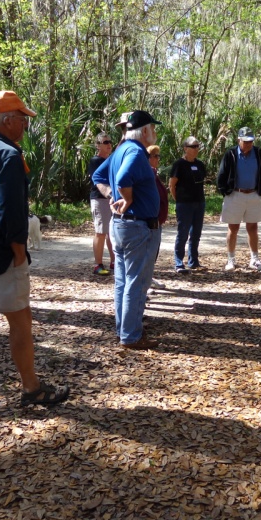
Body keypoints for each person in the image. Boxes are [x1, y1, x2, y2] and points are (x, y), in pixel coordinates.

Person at [0, 90, 70, 418]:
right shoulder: (7, 155)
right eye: (22, 119)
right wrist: (19, 253)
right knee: (21, 323)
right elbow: (12, 213)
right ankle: (32, 389)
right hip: (0, 256)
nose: (24, 125)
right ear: (8, 121)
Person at [92, 110, 162, 350]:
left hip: (122, 226)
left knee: (123, 281)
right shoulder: (133, 151)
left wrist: (112, 196)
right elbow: (122, 178)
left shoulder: (120, 149)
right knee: (136, 283)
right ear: (144, 131)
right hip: (136, 226)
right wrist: (125, 198)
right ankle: (131, 336)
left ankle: (125, 329)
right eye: (153, 128)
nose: (154, 132)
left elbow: (98, 176)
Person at [217, 127, 261, 271]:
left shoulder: (257, 153)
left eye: (250, 141)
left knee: (253, 227)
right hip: (235, 195)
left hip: (253, 194)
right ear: (239, 140)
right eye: (245, 142)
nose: (248, 144)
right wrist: (225, 192)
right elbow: (222, 174)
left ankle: (255, 259)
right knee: (233, 228)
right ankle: (231, 260)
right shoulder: (231, 154)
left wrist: (260, 190)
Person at [169, 136, 206, 273]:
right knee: (183, 233)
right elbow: (172, 185)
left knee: (196, 233)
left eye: (197, 146)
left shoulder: (200, 164)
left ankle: (193, 261)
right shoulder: (179, 164)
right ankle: (179, 262)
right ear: (185, 148)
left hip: (199, 203)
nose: (196, 149)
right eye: (193, 146)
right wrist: (179, 200)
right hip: (184, 204)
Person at [87, 132, 114, 276]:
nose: (109, 144)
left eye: (110, 142)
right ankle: (98, 264)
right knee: (101, 231)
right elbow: (98, 181)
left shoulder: (112, 159)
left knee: (112, 233)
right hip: (99, 198)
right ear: (97, 145)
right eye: (105, 142)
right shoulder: (95, 161)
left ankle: (114, 261)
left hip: (112, 200)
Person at [147, 144, 169, 289]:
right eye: (155, 156)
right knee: (147, 254)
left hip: (157, 221)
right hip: (149, 220)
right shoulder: (146, 173)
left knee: (152, 254)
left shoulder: (154, 172)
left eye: (158, 156)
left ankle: (148, 279)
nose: (157, 159)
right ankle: (144, 285)